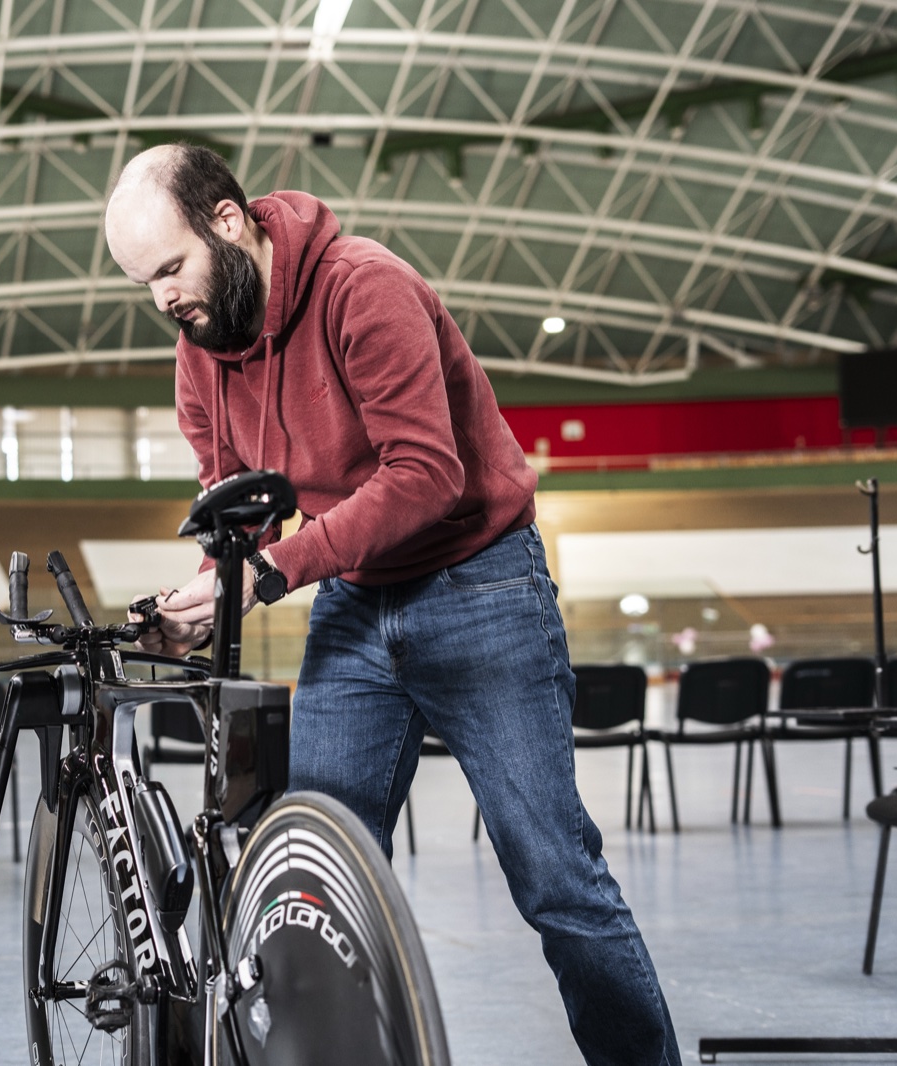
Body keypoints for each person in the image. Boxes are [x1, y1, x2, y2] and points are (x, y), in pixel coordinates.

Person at [105, 143, 680, 1066]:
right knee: (308, 877)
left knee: (555, 878)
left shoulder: (363, 287)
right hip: (356, 604)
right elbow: (240, 512)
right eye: (145, 283)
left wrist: (271, 574)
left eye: (170, 269)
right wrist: (210, 591)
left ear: (227, 219)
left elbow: (426, 477)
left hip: (480, 582)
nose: (165, 299)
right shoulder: (200, 353)